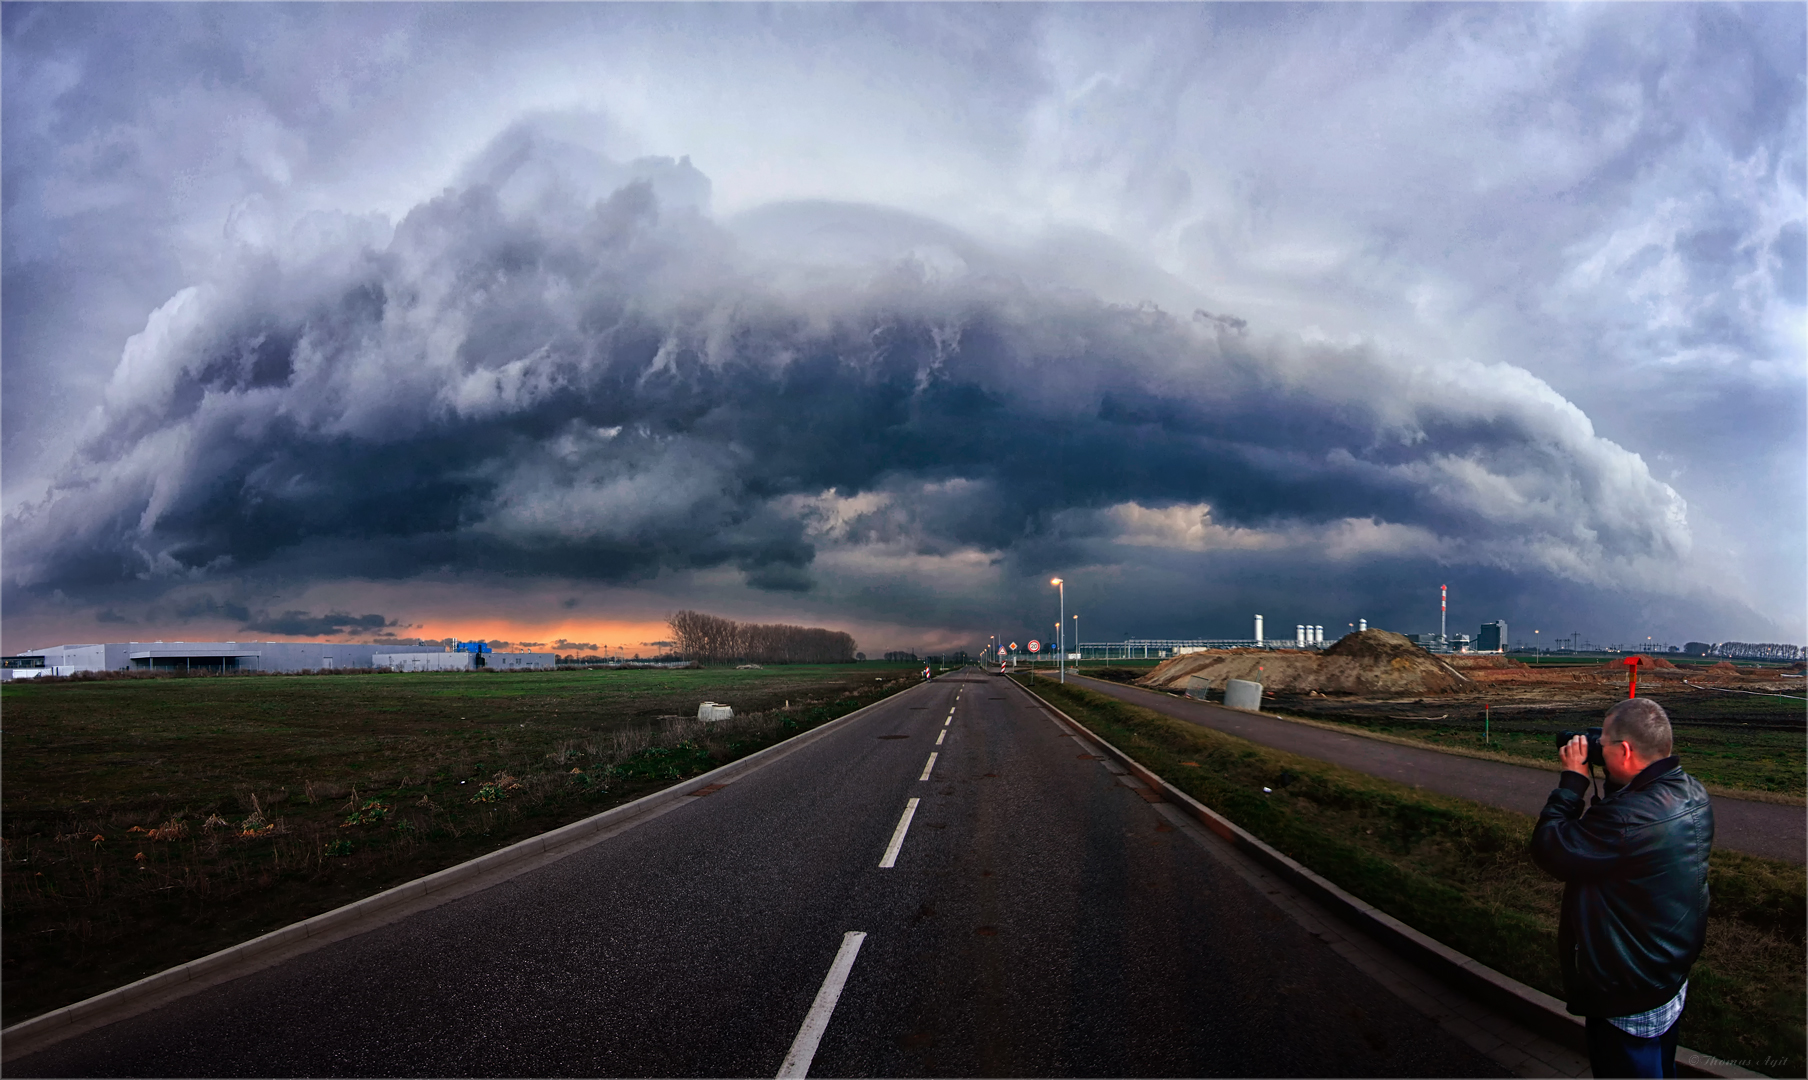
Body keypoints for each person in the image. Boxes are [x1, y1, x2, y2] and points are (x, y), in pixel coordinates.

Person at [1530, 697, 1713, 1079]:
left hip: (1628, 991)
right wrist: (1614, 772)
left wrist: (1572, 783)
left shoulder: (1626, 820)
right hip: (1667, 973)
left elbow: (1549, 848)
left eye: (1604, 743)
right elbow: (1628, 829)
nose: (1596, 748)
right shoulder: (1691, 791)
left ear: (1626, 751)